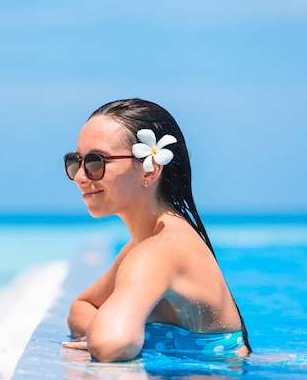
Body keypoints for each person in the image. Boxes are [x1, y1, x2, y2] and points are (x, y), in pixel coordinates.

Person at [61, 98, 251, 362]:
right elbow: (82, 308)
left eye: (96, 161)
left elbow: (110, 344)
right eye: (75, 161)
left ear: (150, 171)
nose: (81, 176)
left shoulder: (158, 250)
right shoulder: (148, 242)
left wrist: (102, 333)